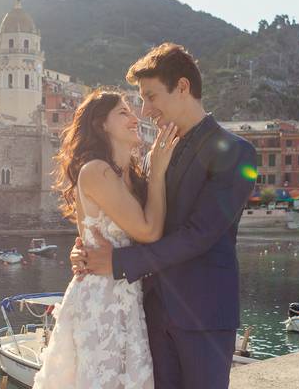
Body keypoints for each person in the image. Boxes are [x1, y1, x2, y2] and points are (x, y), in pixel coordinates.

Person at [71, 43, 256, 389]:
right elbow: (122, 215)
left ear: (182, 87)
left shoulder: (237, 153)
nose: (145, 110)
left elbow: (199, 234)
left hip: (204, 316)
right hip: (149, 315)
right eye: (139, 100)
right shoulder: (151, 158)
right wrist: (86, 247)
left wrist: (119, 262)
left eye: (151, 97)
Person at [31, 89, 179, 389]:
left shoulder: (132, 176)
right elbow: (149, 231)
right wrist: (160, 173)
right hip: (102, 301)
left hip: (128, 298)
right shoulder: (96, 171)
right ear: (102, 125)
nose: (134, 118)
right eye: (123, 113)